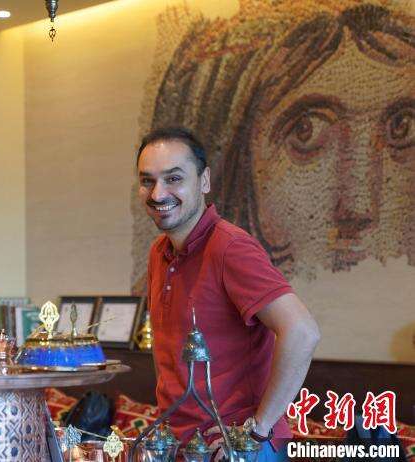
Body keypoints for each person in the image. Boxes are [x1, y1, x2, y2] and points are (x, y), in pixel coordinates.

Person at [132, 1, 414, 289]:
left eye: (402, 128)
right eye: (306, 131)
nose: (358, 207)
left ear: (205, 179)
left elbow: (295, 320)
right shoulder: (165, 253)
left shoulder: (232, 251)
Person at [137, 127, 321, 461]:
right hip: (184, 445)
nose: (158, 193)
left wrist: (255, 431)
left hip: (240, 449)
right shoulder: (158, 252)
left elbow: (302, 331)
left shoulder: (229, 247)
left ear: (204, 181)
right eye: (147, 181)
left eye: (174, 178)